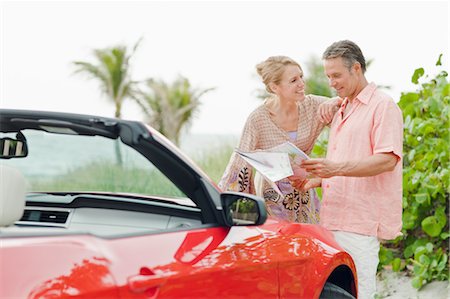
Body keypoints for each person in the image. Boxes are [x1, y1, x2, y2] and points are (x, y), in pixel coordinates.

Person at [300, 40, 403, 299]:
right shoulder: (343, 106)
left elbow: (387, 160)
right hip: (332, 218)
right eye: (328, 76)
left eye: (336, 75)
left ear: (356, 68)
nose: (331, 82)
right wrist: (319, 179)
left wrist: (333, 168)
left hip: (360, 222)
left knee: (360, 293)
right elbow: (350, 162)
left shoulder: (383, 106)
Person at [218, 56, 340, 224]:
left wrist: (337, 100)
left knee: (306, 243)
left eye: (301, 77)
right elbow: (239, 163)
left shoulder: (313, 106)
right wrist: (221, 204)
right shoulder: (258, 119)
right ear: (275, 87)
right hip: (271, 197)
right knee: (278, 244)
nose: (301, 84)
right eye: (293, 80)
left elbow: (350, 111)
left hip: (303, 192)